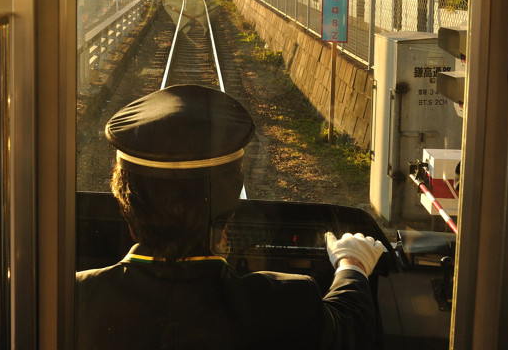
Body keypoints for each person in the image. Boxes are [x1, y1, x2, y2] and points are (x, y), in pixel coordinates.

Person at [76, 84, 384, 349]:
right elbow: (348, 327)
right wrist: (352, 265)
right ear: (227, 215)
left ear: (128, 212)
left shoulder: (73, 299)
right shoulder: (287, 304)